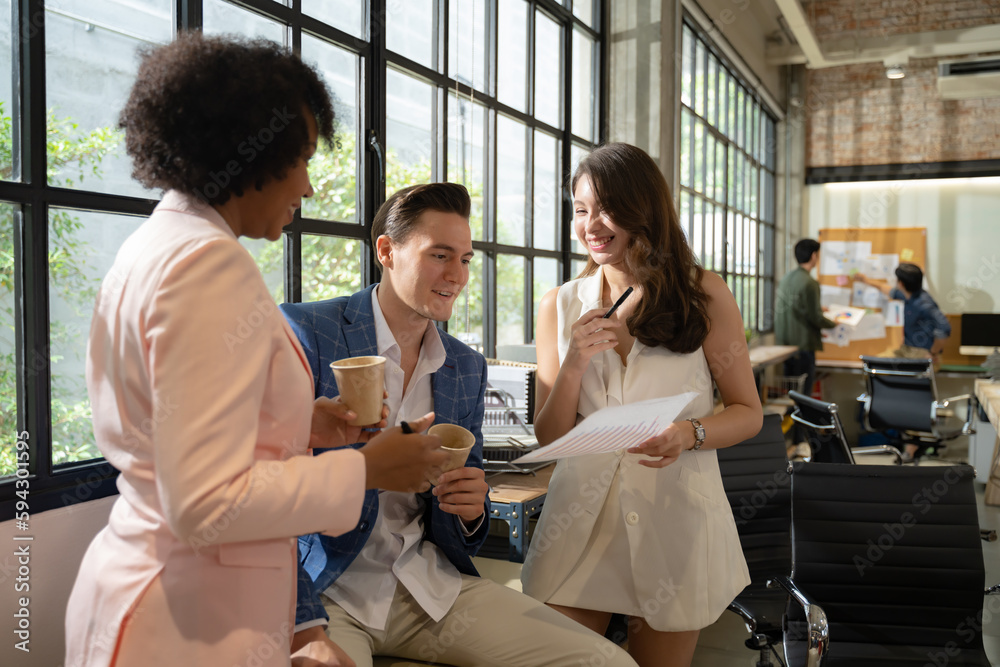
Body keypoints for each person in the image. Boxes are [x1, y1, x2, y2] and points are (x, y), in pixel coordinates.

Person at [64, 34, 447, 667]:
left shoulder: (160, 243)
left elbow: (180, 436)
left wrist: (310, 422)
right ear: (248, 155)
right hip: (186, 622)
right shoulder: (207, 267)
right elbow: (205, 501)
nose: (308, 186)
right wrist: (368, 469)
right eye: (300, 159)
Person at [282, 183, 638, 667]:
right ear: (387, 251)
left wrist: (472, 509)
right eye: (440, 256)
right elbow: (262, 477)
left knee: (609, 662)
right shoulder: (309, 333)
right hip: (327, 590)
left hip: (424, 586)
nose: (457, 276)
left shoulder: (464, 366)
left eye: (466, 260)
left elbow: (464, 516)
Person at [520, 143, 763, 667]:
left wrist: (689, 433)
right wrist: (574, 364)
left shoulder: (704, 293)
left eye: (606, 209)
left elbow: (748, 411)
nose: (591, 225)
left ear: (643, 211)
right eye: (581, 210)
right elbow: (548, 437)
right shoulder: (559, 304)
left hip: (673, 518)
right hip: (578, 524)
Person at [855, 262, 952, 463]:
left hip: (921, 353)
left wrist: (933, 351)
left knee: (912, 396)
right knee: (874, 363)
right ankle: (878, 407)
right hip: (906, 349)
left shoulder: (924, 303)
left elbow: (945, 327)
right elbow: (886, 290)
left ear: (901, 282)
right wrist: (865, 280)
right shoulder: (906, 294)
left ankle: (910, 449)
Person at [774, 238, 837, 453]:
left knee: (790, 395)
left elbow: (800, 309)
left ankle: (792, 441)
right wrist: (834, 322)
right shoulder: (810, 283)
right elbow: (814, 317)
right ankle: (800, 441)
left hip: (785, 348)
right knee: (804, 397)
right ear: (813, 256)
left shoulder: (787, 279)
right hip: (803, 347)